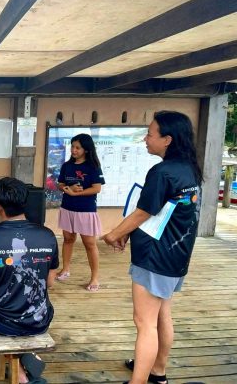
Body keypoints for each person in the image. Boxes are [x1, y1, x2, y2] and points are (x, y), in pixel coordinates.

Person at [102, 111, 201, 384]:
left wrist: (114, 234)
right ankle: (157, 372)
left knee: (144, 322)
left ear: (167, 139)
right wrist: (127, 232)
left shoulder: (162, 172)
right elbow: (160, 212)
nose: (145, 139)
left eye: (149, 133)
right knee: (161, 315)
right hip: (177, 255)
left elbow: (143, 212)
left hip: (155, 257)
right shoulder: (189, 168)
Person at [0, 177, 58, 384]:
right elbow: (50, 282)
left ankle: (20, 370)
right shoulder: (47, 235)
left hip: (2, 322)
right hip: (39, 319)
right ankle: (22, 359)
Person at [55, 133, 105, 292]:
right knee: (68, 239)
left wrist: (77, 193)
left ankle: (94, 277)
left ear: (86, 149)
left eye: (78, 147)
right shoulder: (67, 166)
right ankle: (65, 269)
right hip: (67, 208)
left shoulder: (93, 167)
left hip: (86, 210)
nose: (73, 150)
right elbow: (60, 184)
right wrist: (67, 188)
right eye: (72, 147)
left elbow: (97, 188)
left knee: (89, 244)